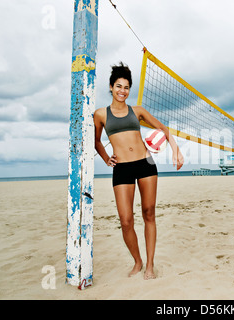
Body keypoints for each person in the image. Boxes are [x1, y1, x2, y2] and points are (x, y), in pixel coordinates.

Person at [94, 62, 184, 280]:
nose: (122, 91)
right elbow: (96, 141)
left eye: (126, 87)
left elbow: (163, 129)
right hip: (122, 167)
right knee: (126, 220)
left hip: (145, 164)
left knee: (148, 213)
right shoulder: (100, 115)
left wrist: (176, 150)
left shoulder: (138, 111)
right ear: (110, 87)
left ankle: (150, 265)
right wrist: (107, 158)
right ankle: (138, 261)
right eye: (118, 86)